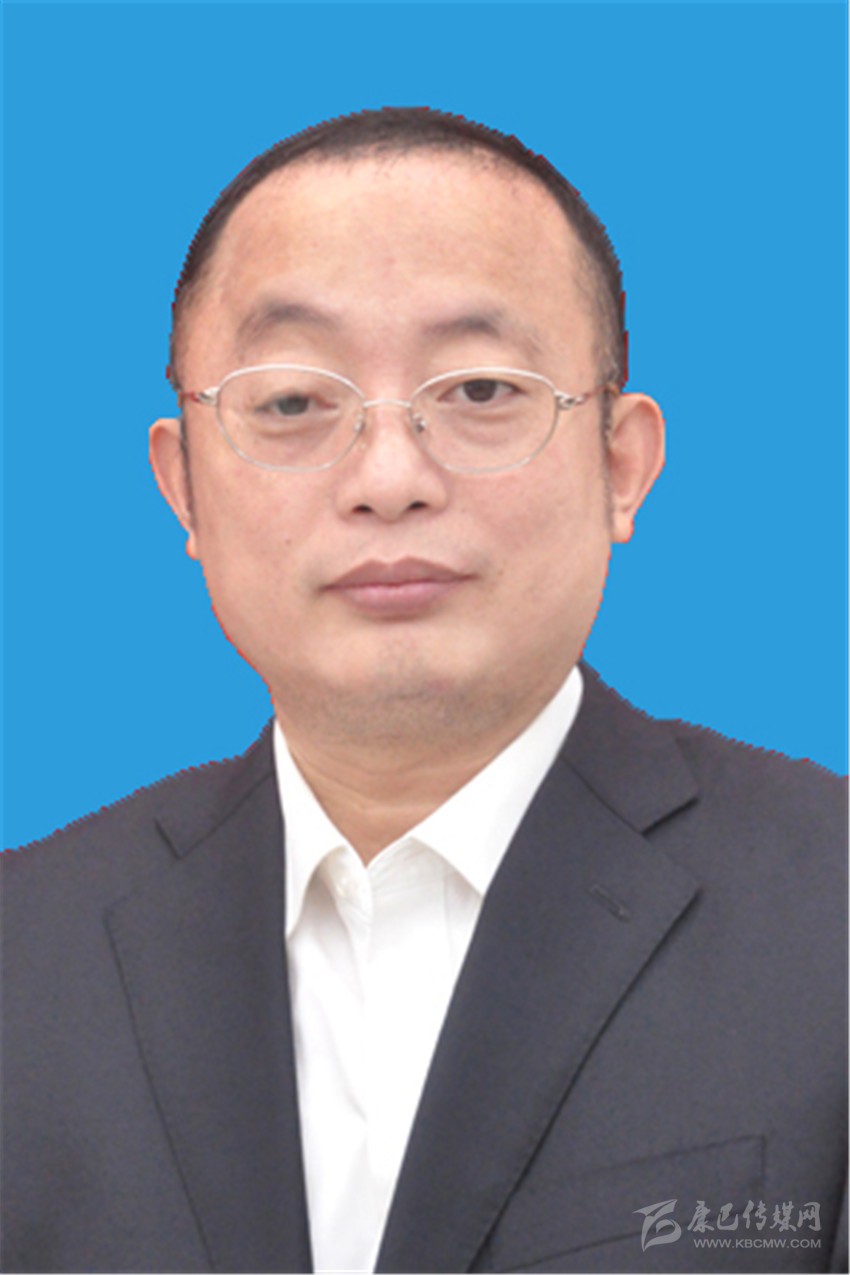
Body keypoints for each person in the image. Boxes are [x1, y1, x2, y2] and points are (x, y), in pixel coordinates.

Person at [2, 108, 845, 1275]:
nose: (389, 478)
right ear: (182, 485)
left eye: (480, 390)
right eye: (291, 403)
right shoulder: (22, 955)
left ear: (620, 463)